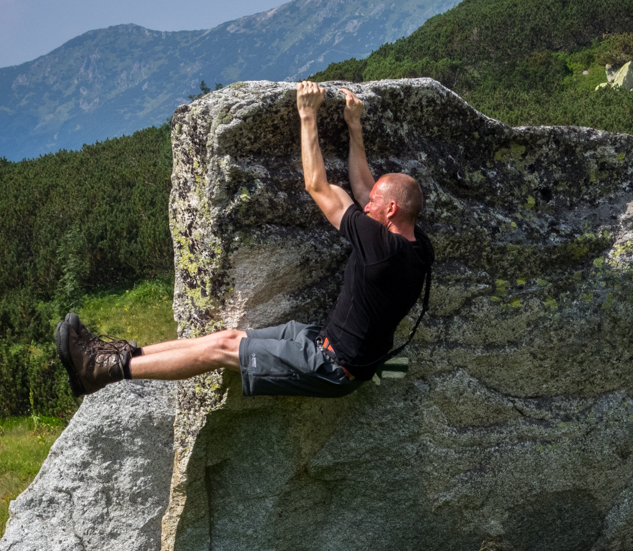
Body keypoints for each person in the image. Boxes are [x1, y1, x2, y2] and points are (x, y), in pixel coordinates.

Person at [55, 81, 434, 399]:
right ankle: (115, 355)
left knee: (220, 349)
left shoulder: (378, 248)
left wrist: (307, 114)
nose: (365, 206)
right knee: (227, 336)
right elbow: (367, 189)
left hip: (329, 365)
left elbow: (317, 184)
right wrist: (354, 126)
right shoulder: (418, 247)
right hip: (321, 340)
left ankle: (100, 371)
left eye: (374, 206)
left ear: (389, 212)